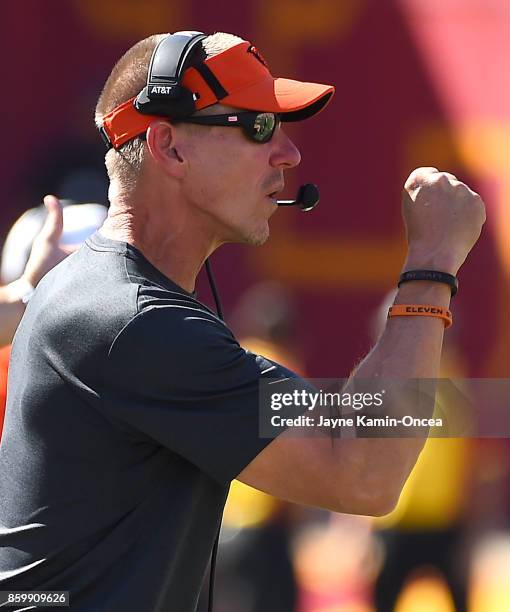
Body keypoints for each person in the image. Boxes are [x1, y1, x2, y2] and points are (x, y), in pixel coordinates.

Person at [0, 31, 485, 612]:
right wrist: (432, 266)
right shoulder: (135, 322)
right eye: (257, 126)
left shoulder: (124, 306)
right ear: (169, 147)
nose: (289, 153)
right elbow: (362, 471)